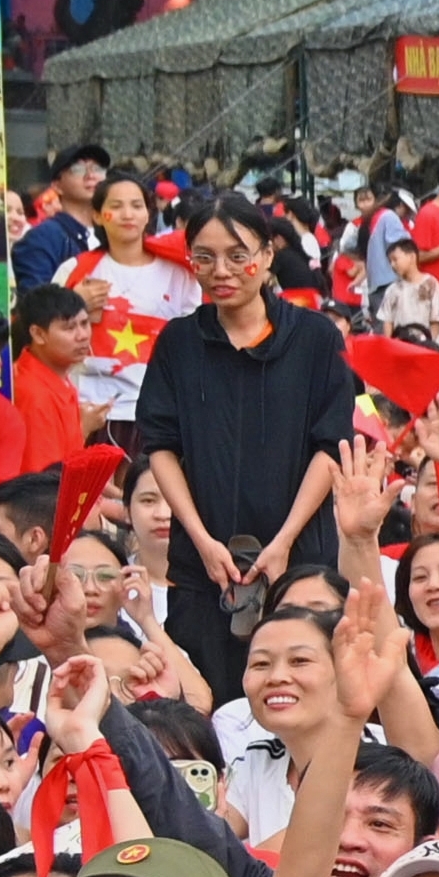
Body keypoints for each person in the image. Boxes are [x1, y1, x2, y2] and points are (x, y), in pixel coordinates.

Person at [137, 190, 362, 695]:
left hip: (299, 551)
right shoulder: (178, 343)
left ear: (264, 257)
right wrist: (201, 539)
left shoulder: (314, 339)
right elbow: (161, 447)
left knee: (297, 690)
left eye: (238, 256)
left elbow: (331, 447)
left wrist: (284, 542)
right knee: (206, 694)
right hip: (205, 561)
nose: (222, 270)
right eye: (206, 257)